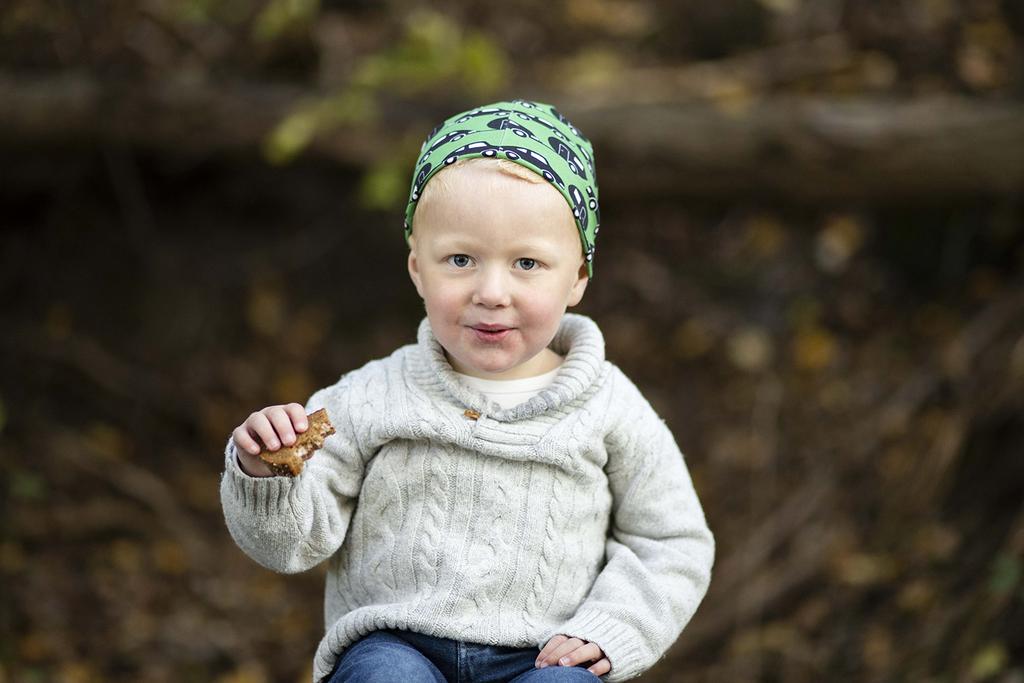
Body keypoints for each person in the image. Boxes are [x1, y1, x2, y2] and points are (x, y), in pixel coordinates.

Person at [220, 99, 715, 683]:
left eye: (527, 263)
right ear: (416, 269)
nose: (491, 291)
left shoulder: (609, 407)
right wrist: (264, 475)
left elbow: (672, 541)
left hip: (543, 656)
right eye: (460, 259)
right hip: (396, 644)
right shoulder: (371, 397)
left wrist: (613, 629)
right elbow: (289, 546)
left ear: (578, 277)